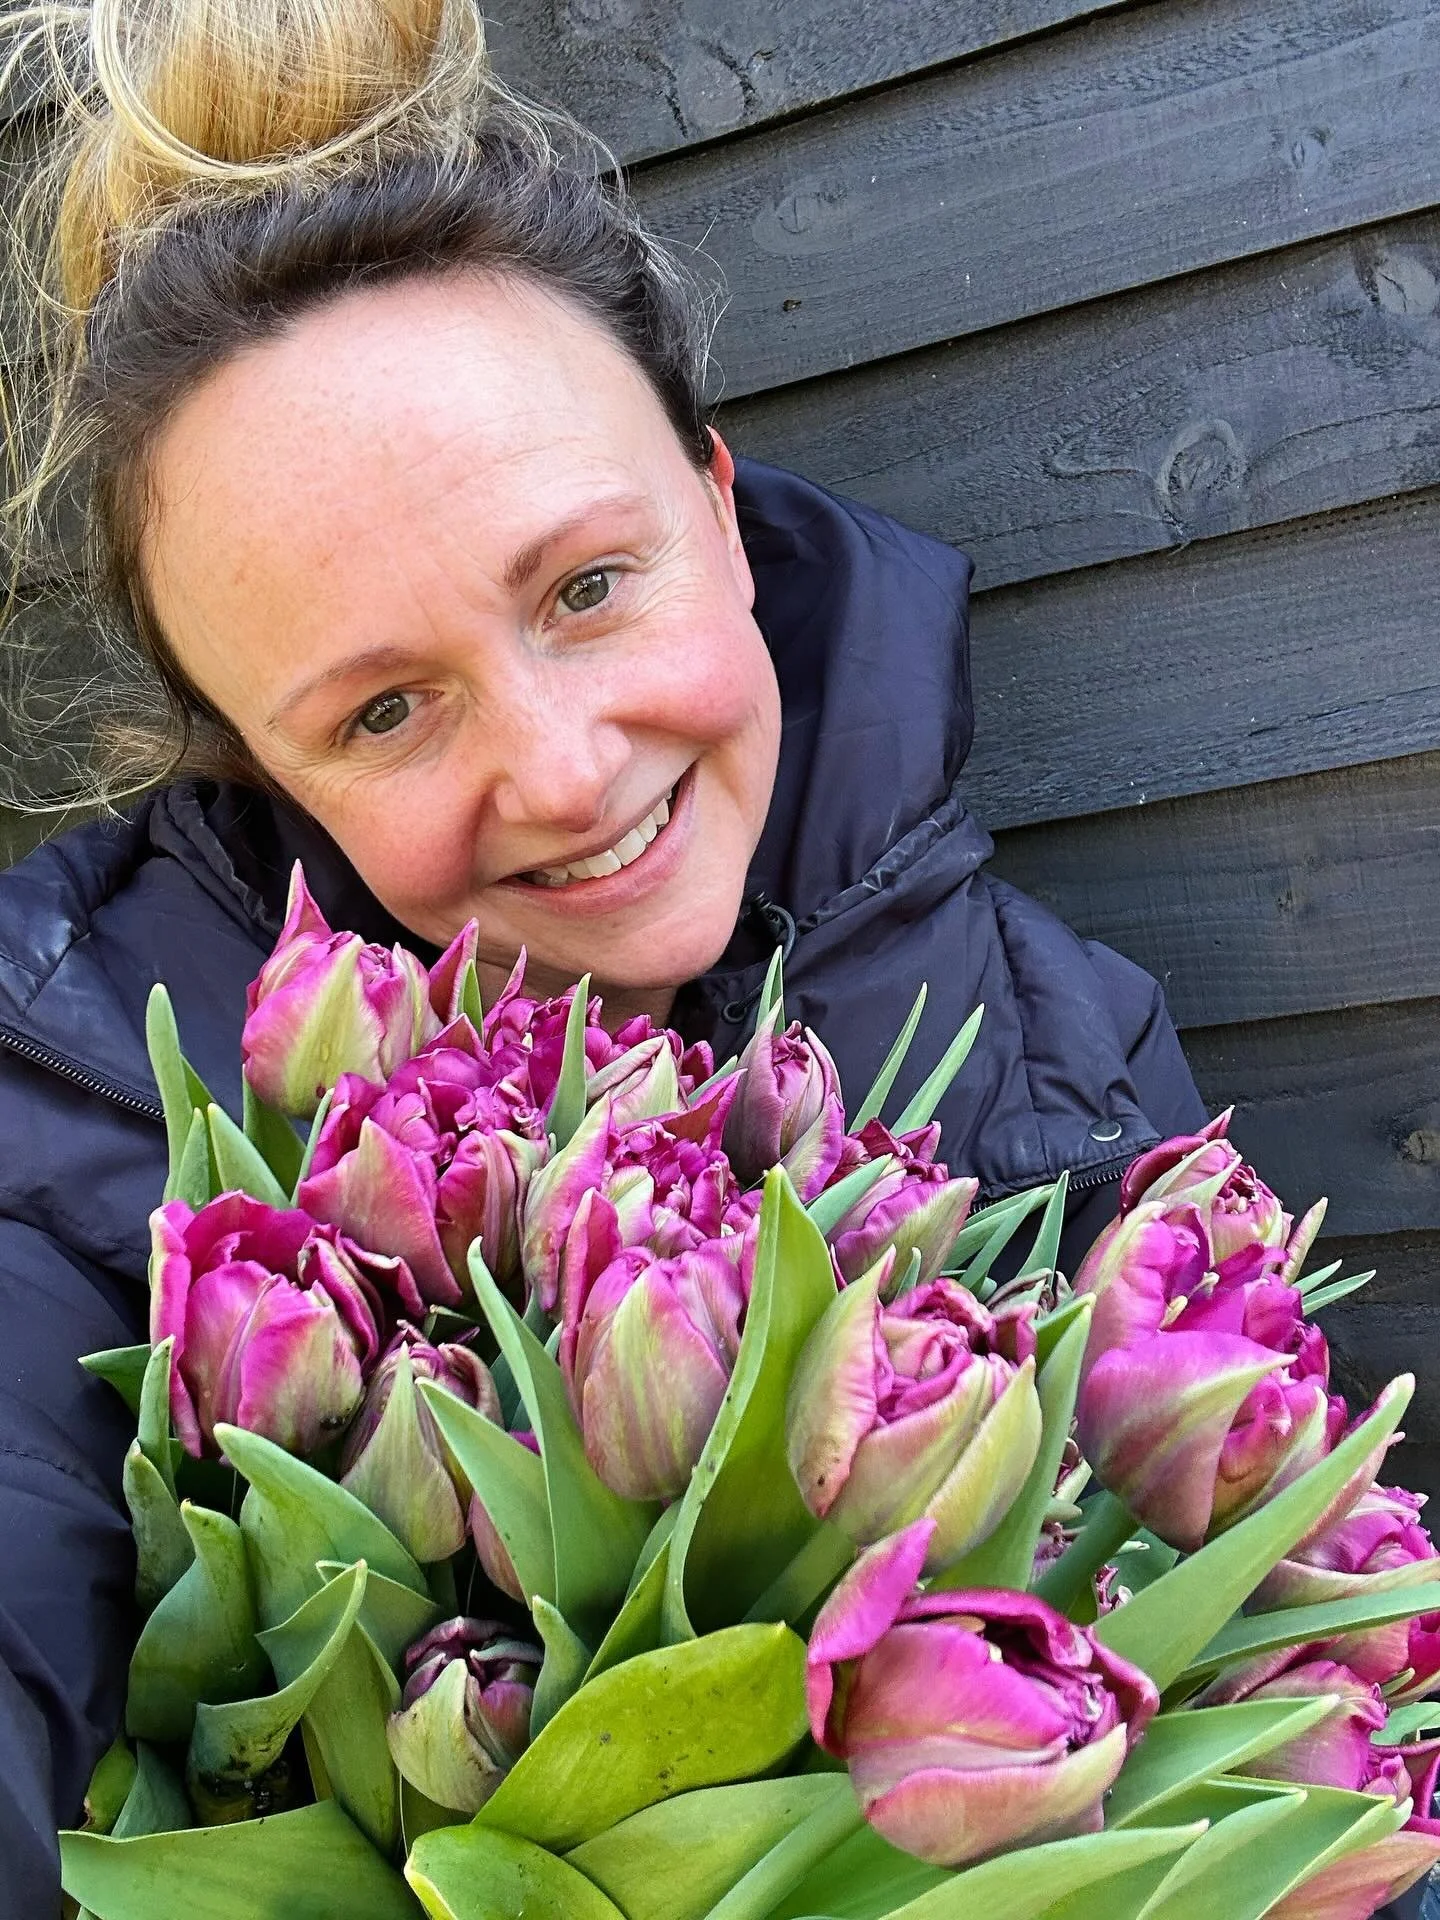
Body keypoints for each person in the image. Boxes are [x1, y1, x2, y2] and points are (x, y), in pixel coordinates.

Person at [0, 0, 1206, 1908]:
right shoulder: (61, 1131)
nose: (565, 776)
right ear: (260, 765)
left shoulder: (1052, 1046)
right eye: (382, 713)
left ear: (722, 517)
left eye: (586, 586)